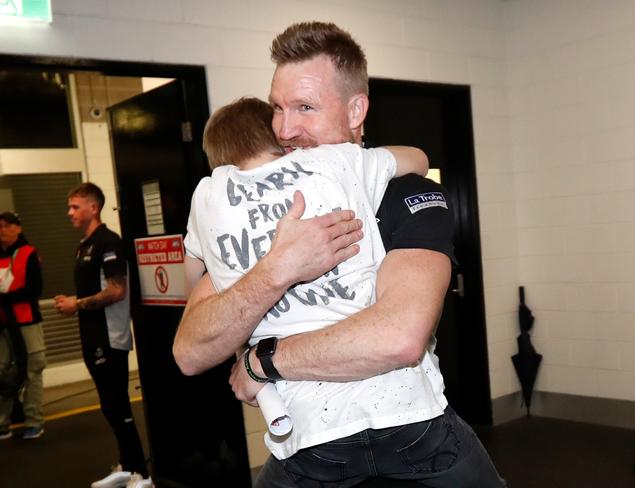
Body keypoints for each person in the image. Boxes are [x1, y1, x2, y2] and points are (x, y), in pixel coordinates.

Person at [174, 21, 506, 488]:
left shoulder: (405, 194)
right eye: (277, 108)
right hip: (307, 446)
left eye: (305, 108)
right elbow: (190, 350)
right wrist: (278, 268)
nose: (285, 129)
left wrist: (260, 362)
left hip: (409, 428)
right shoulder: (264, 212)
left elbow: (399, 339)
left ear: (356, 111)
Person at [54, 183, 151, 488]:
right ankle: (128, 464)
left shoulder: (109, 242)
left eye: (75, 206)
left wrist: (76, 304)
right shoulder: (85, 244)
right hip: (91, 335)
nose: (69, 212)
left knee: (118, 404)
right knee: (109, 406)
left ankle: (143, 475)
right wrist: (75, 301)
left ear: (93, 208)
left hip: (110, 338)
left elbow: (117, 290)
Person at [0, 212, 46, 440]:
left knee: (33, 370)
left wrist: (6, 298)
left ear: (18, 228)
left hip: (27, 322)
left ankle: (34, 421)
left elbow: (34, 290)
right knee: (3, 371)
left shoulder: (29, 254)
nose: (2, 230)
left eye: (7, 225)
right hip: (4, 325)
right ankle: (3, 422)